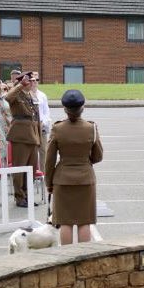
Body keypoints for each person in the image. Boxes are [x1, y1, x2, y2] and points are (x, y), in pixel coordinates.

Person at [45, 90, 104, 245]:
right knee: (84, 221)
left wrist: (48, 183)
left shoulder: (57, 128)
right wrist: (86, 160)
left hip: (62, 179)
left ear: (65, 109)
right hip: (85, 178)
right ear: (82, 107)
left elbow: (49, 160)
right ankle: (83, 258)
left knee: (65, 222)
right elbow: (98, 156)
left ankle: (67, 258)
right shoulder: (91, 128)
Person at [5, 73, 42, 208]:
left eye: (33, 80)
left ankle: (27, 195)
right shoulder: (17, 94)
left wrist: (38, 138)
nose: (33, 83)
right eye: (30, 80)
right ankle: (19, 197)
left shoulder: (30, 95)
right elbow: (7, 98)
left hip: (32, 135)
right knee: (20, 168)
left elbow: (36, 118)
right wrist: (20, 85)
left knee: (31, 169)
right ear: (23, 82)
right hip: (20, 136)